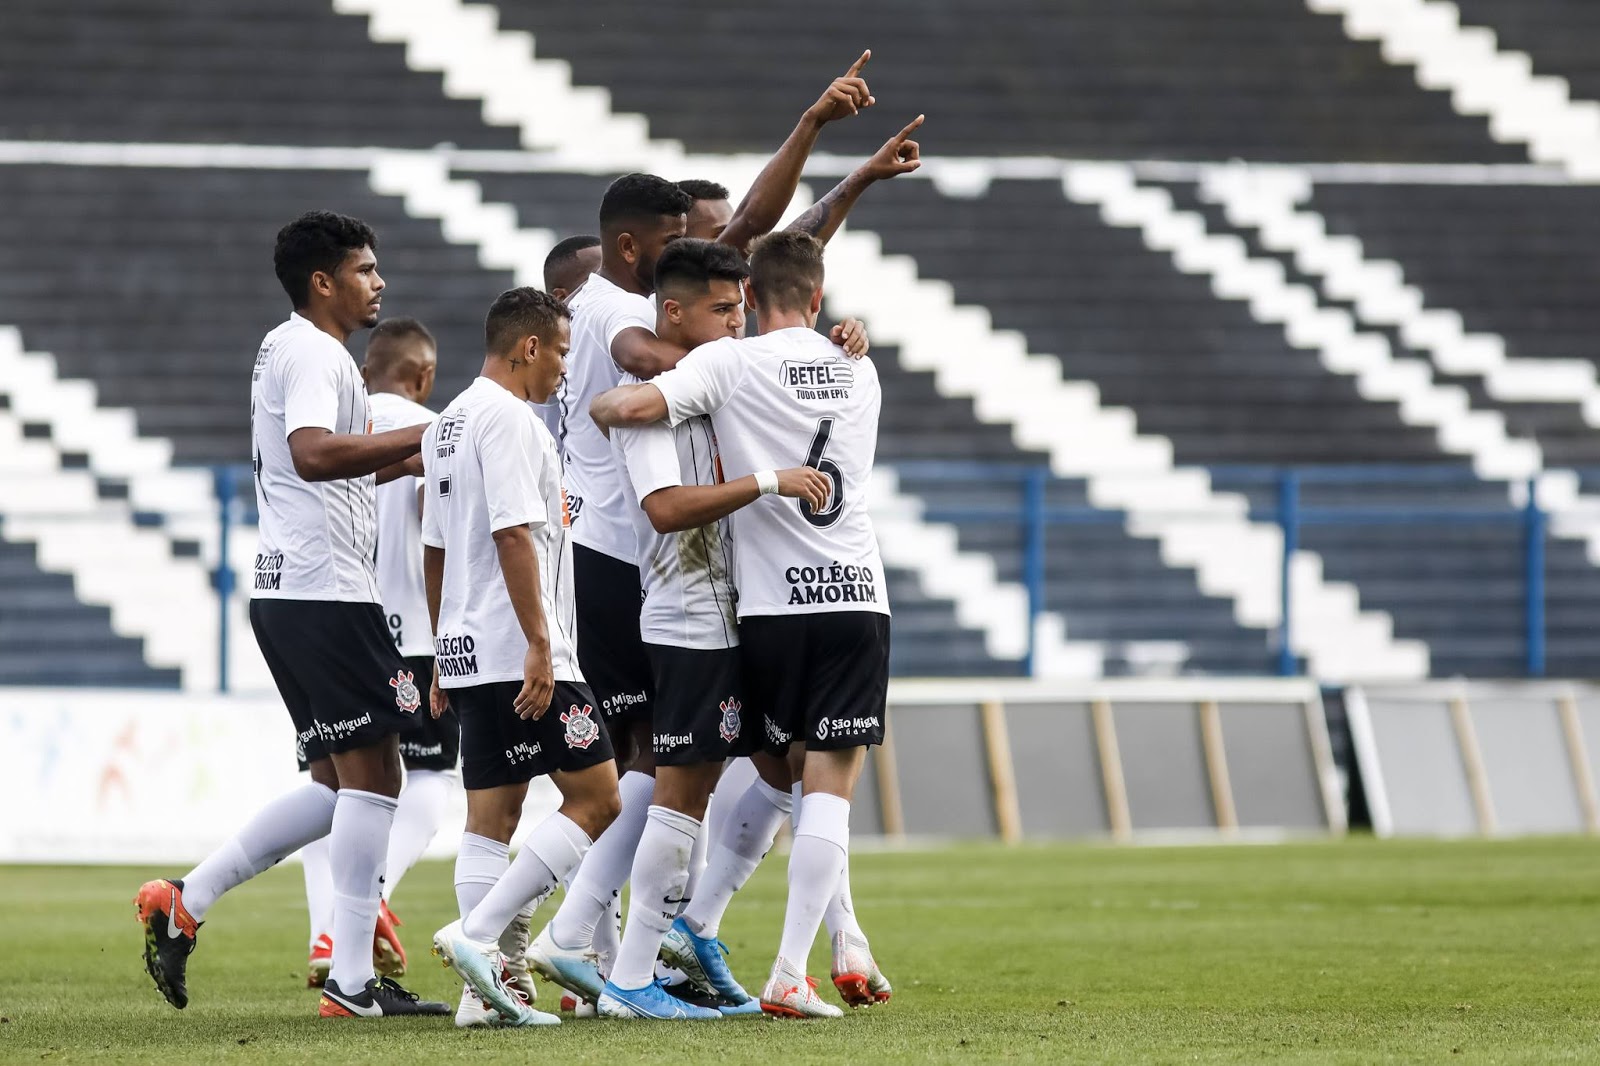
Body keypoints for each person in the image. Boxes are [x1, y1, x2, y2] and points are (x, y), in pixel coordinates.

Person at [528, 57, 881, 1002]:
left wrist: (836, 167)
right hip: (633, 569)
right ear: (644, 256)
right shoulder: (616, 316)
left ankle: (649, 941)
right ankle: (573, 941)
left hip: (660, 573)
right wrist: (787, 380)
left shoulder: (708, 331)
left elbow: (773, 259)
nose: (727, 256)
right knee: (664, 773)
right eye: (701, 244)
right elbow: (649, 380)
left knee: (729, 766)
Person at [135, 211, 448, 1019]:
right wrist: (417, 446)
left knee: (337, 780)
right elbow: (312, 456)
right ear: (324, 281)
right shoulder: (314, 351)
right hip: (323, 592)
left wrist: (409, 456)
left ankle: (189, 899)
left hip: (292, 589)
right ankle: (349, 982)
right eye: (366, 270)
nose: (379, 283)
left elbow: (321, 468)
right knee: (378, 777)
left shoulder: (293, 346)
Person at [591, 231, 892, 1019]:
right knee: (827, 782)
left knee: (770, 767)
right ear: (820, 300)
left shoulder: (729, 363)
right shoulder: (860, 370)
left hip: (760, 608)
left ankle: (712, 925)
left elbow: (621, 406)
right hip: (853, 594)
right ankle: (793, 965)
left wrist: (638, 379)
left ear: (750, 299)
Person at [422, 287, 622, 1028]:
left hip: (474, 647)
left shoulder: (447, 424)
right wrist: (541, 644)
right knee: (600, 799)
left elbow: (434, 547)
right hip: (523, 650)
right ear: (529, 347)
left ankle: (483, 997)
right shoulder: (509, 420)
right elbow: (512, 535)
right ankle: (476, 939)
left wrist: (446, 643)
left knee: (491, 820)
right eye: (563, 351)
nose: (565, 369)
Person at [298, 317, 458, 988]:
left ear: (366, 372)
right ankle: (363, 904)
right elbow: (438, 526)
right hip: (415, 639)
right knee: (424, 780)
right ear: (423, 375)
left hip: (336, 630)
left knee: (329, 784)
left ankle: (323, 936)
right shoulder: (432, 427)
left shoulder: (338, 432)